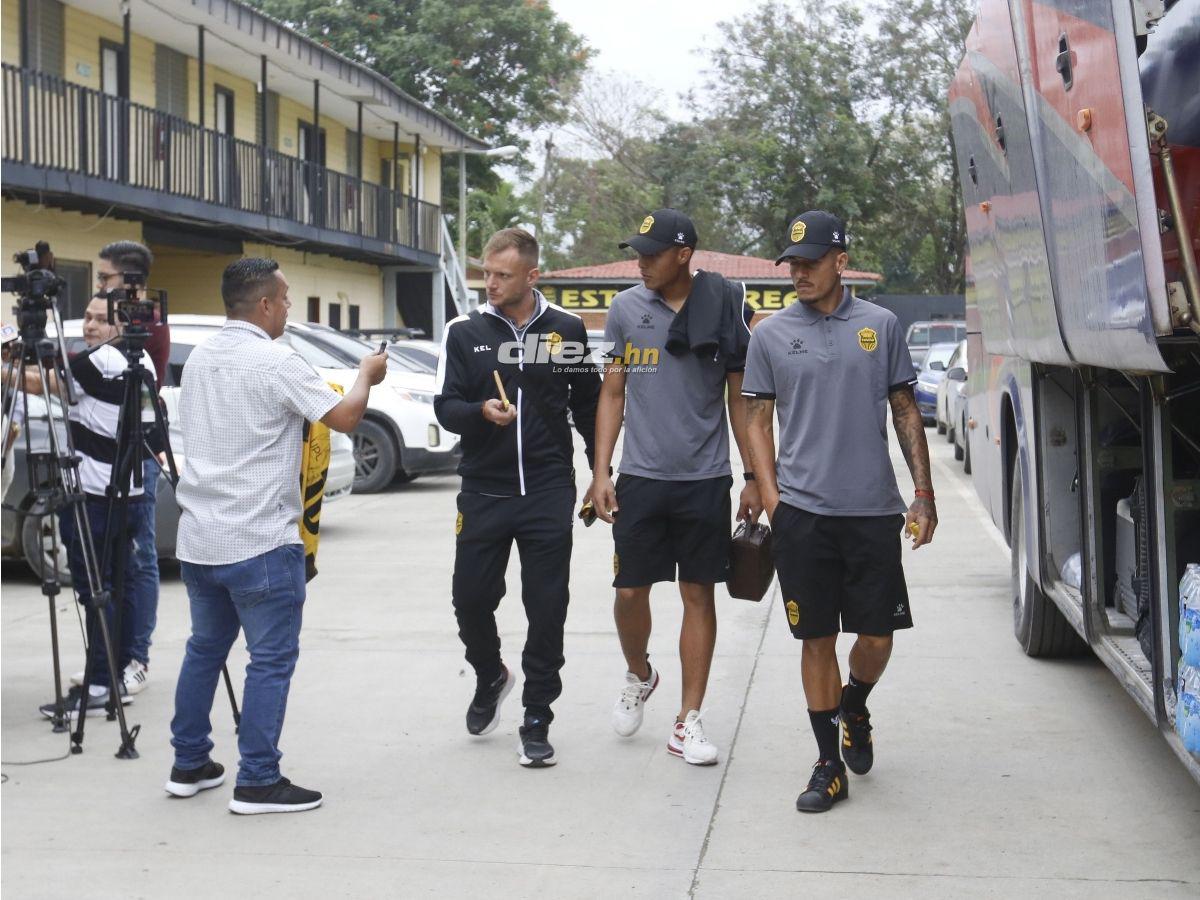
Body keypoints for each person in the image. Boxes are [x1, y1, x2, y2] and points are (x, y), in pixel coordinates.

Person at [166, 258, 386, 814]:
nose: (289, 308)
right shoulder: (275, 361)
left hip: (200, 537)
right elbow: (344, 418)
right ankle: (258, 780)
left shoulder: (199, 360)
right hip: (260, 540)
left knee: (204, 650)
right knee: (269, 661)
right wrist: (365, 375)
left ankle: (189, 762)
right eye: (285, 299)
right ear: (263, 304)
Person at [741, 210, 937, 813]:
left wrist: (922, 494)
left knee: (877, 636)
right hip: (803, 515)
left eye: (810, 262)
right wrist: (772, 499)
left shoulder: (880, 325)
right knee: (816, 636)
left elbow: (905, 410)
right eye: (791, 264)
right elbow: (756, 418)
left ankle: (855, 703)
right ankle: (828, 763)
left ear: (840, 262)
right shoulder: (770, 334)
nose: (798, 273)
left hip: (873, 511)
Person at [589, 208, 759, 766]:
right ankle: (640, 673)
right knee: (629, 593)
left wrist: (754, 476)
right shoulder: (625, 309)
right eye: (637, 253)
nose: (640, 263)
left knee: (697, 595)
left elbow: (741, 399)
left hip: (704, 479)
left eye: (651, 254)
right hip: (640, 477)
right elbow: (613, 393)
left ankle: (688, 721)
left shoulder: (725, 306)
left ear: (683, 254)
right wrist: (600, 472)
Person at [434, 227, 599, 768]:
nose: (490, 284)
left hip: (549, 490)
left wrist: (602, 471)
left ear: (532, 276)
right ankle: (489, 673)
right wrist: (480, 412)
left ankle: (536, 717)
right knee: (471, 599)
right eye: (486, 273)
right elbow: (446, 406)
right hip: (484, 489)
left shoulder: (565, 329)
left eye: (502, 275)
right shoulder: (464, 331)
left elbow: (590, 407)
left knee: (547, 606)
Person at [13, 293, 160, 719]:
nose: (89, 327)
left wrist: (9, 365)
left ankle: (99, 684)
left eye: (100, 320)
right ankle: (112, 676)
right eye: (88, 318)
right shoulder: (142, 360)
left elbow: (39, 380)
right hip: (126, 495)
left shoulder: (101, 362)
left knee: (94, 591)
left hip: (96, 498)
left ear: (120, 324)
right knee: (117, 585)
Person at [70, 241, 165, 697]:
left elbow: (67, 380)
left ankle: (122, 666)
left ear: (127, 286)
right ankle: (114, 663)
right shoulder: (127, 339)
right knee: (121, 574)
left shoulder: (143, 334)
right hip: (120, 471)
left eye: (105, 280)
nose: (100, 287)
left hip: (124, 473)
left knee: (125, 572)